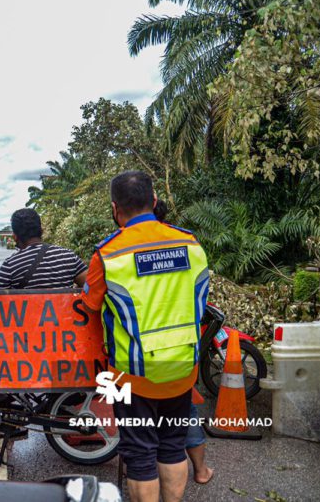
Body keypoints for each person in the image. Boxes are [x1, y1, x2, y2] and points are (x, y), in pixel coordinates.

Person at [82, 171, 209, 502]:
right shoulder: (190, 243)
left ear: (115, 208)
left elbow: (88, 305)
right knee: (172, 445)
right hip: (183, 368)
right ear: (154, 201)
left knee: (139, 456)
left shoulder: (108, 254)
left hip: (131, 376)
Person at [152, 200, 214, 486]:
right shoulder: (187, 244)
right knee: (184, 413)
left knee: (140, 421)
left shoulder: (125, 249)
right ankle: (200, 471)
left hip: (139, 354)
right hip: (180, 347)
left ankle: (140, 472)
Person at [0, 208, 88, 290]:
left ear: (15, 237)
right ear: (42, 230)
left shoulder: (8, 267)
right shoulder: (69, 257)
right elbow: (91, 287)